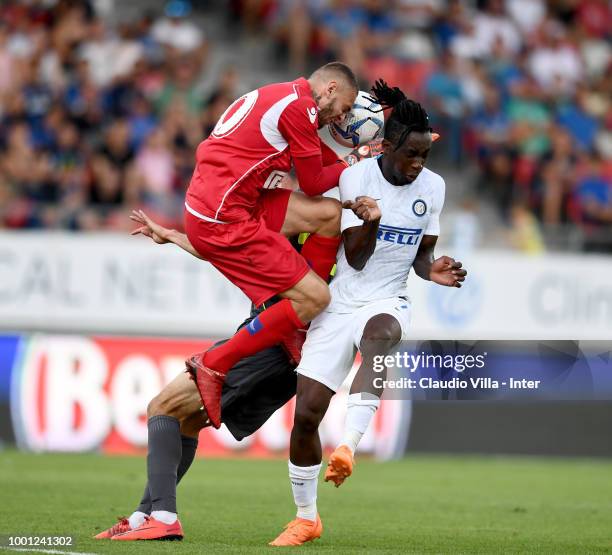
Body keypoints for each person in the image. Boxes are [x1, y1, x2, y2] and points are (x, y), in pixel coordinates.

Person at [268, 80, 467, 547]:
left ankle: (349, 447)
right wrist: (372, 220)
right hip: (341, 300)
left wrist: (431, 269)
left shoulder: (433, 188)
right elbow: (354, 258)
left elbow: (422, 253)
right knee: (306, 416)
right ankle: (306, 517)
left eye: (425, 155)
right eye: (411, 154)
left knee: (379, 337)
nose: (419, 164)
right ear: (390, 145)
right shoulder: (357, 179)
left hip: (388, 299)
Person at [183, 62, 359, 432]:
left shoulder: (283, 96)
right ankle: (213, 363)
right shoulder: (300, 107)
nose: (341, 119)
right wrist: (359, 163)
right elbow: (313, 181)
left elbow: (323, 164)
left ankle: (296, 328)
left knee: (328, 214)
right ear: (329, 88)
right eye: (343, 107)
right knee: (317, 298)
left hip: (226, 200)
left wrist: (354, 166)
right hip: (224, 217)